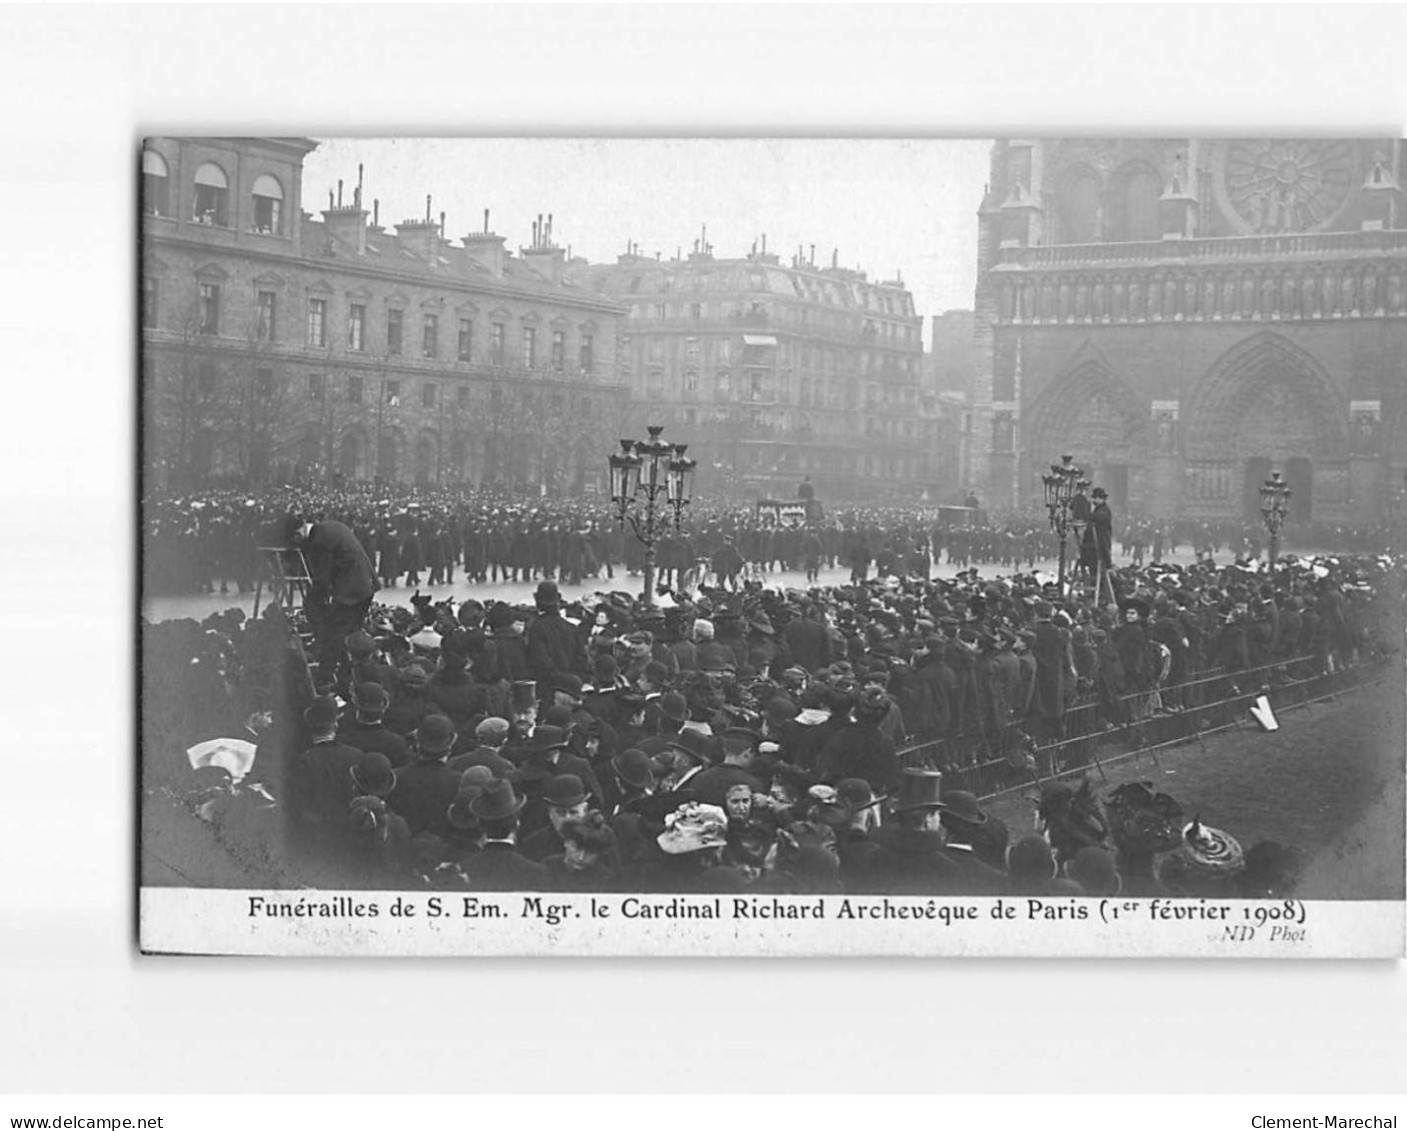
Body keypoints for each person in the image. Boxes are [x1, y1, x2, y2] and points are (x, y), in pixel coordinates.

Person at [287, 513, 379, 673]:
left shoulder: (318, 542)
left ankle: (327, 674)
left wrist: (312, 606)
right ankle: (352, 671)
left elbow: (321, 579)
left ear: (298, 533)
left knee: (333, 633)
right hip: (364, 585)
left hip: (352, 592)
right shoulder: (330, 526)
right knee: (351, 632)